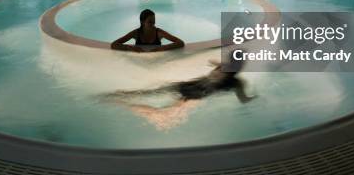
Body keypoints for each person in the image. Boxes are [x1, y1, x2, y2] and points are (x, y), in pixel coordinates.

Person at [101, 57, 255, 130]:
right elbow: (244, 100)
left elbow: (214, 63)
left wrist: (216, 64)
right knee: (166, 116)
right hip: (197, 94)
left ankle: (120, 96)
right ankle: (124, 104)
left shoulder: (221, 69)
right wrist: (253, 98)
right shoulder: (236, 82)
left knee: (150, 92)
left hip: (186, 85)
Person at [110, 9, 185, 53]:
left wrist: (163, 48)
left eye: (154, 21)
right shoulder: (136, 33)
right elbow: (114, 44)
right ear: (142, 22)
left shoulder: (159, 32)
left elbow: (180, 43)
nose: (153, 24)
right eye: (150, 22)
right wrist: (130, 48)